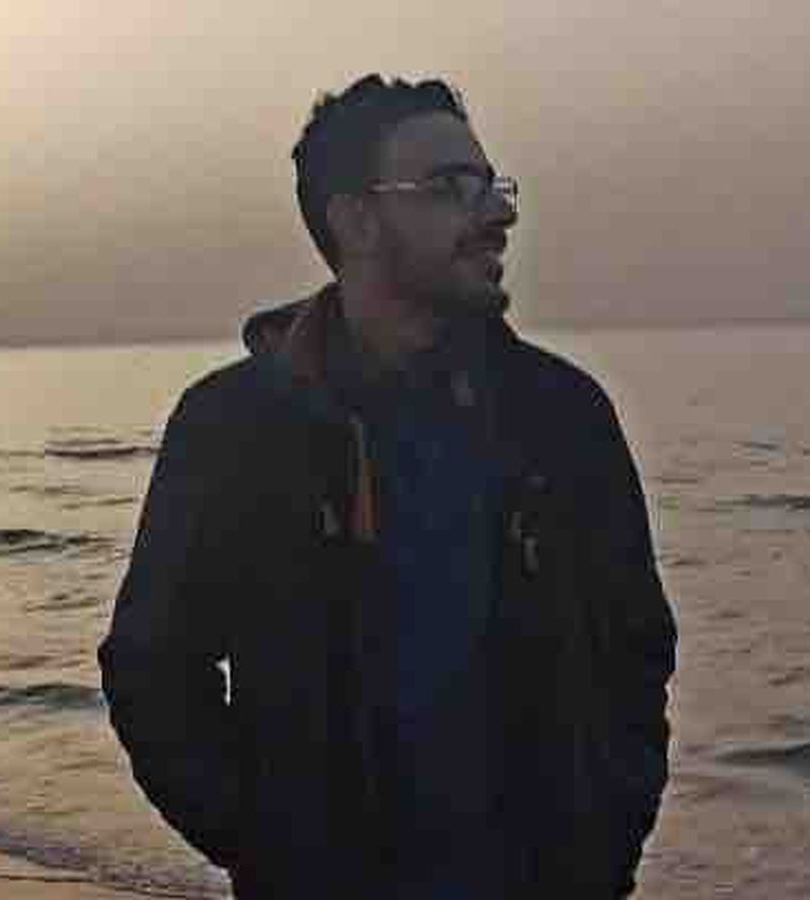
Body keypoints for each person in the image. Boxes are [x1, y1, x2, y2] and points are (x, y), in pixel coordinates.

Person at [98, 74, 677, 900]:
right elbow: (152, 668)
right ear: (356, 221)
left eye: (491, 185)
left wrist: (604, 852)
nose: (496, 213)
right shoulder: (235, 425)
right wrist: (268, 845)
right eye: (451, 187)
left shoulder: (563, 415)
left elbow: (636, 652)